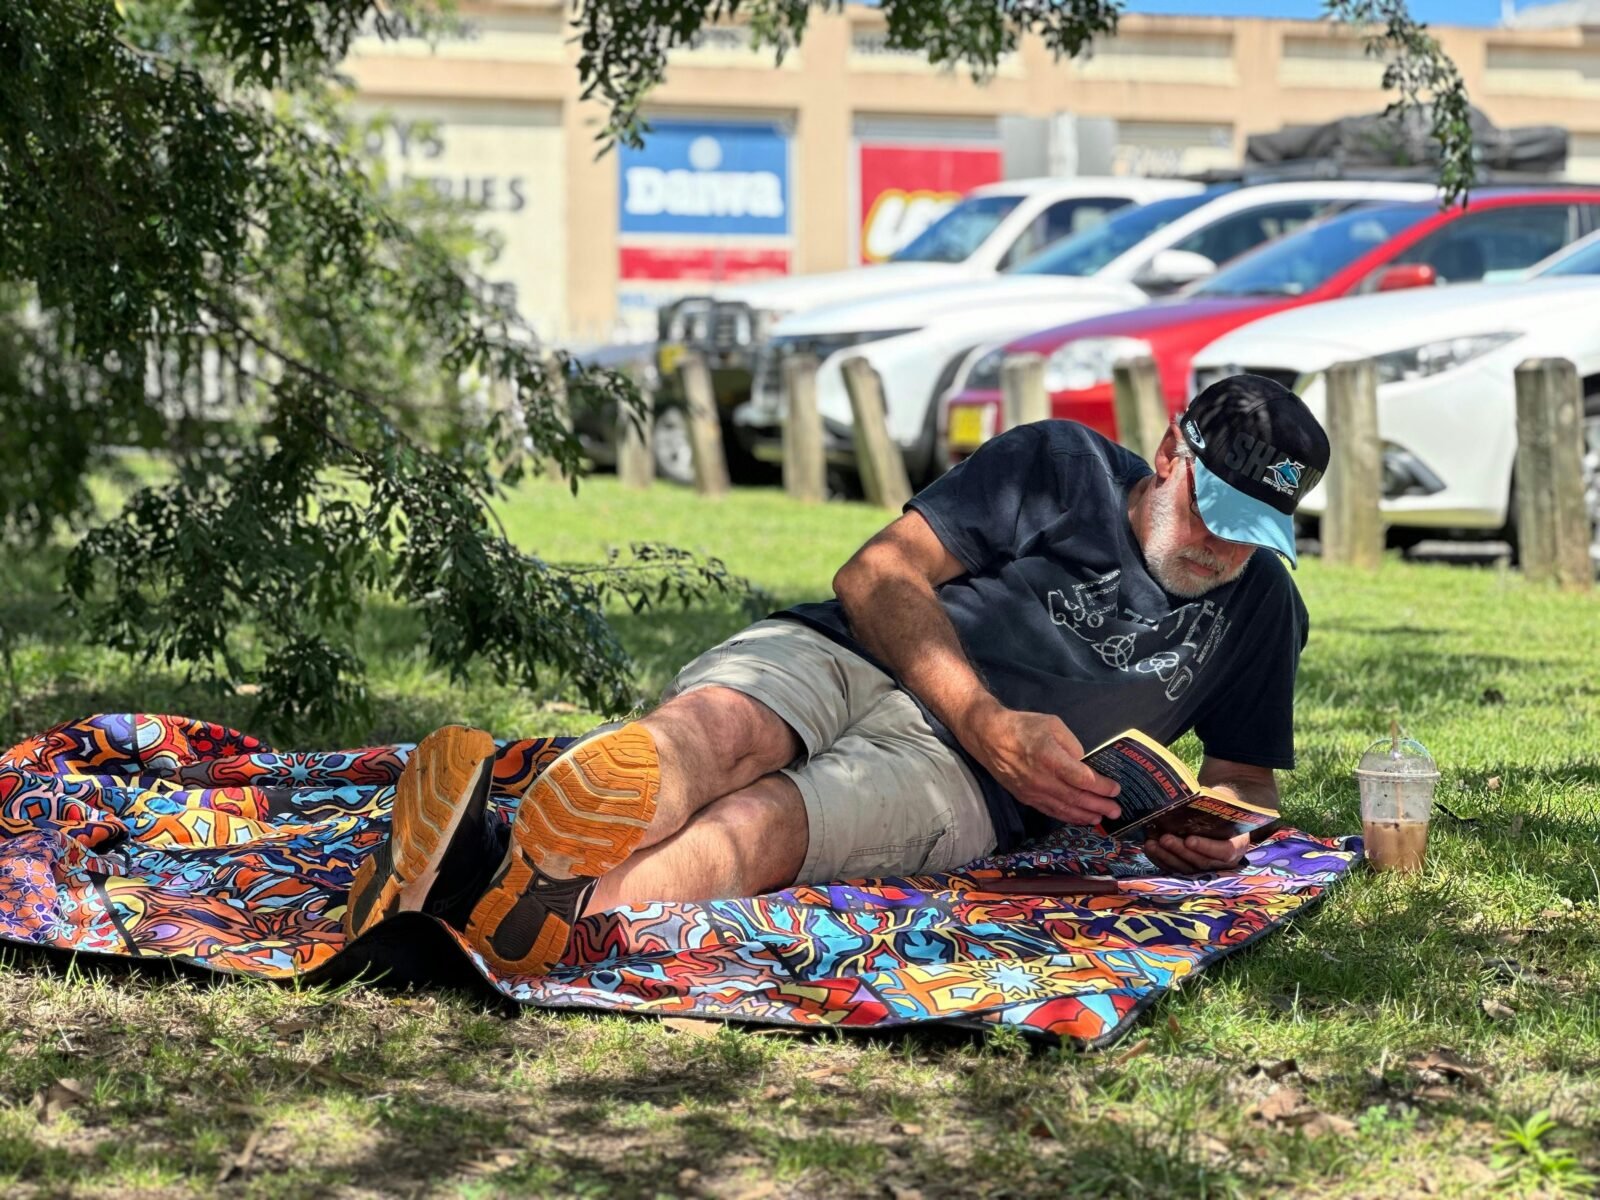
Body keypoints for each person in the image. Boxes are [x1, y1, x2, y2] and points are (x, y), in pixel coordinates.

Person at [343, 374, 1330, 977]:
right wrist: (987, 716)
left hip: (969, 783)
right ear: (1169, 453)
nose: (1220, 551)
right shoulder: (1058, 463)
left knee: (761, 825)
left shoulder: (1261, 610)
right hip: (858, 652)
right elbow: (874, 575)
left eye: (1253, 534)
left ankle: (493, 885)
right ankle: (524, 880)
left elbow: (1246, 779)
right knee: (713, 735)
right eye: (1213, 513)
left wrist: (1213, 835)